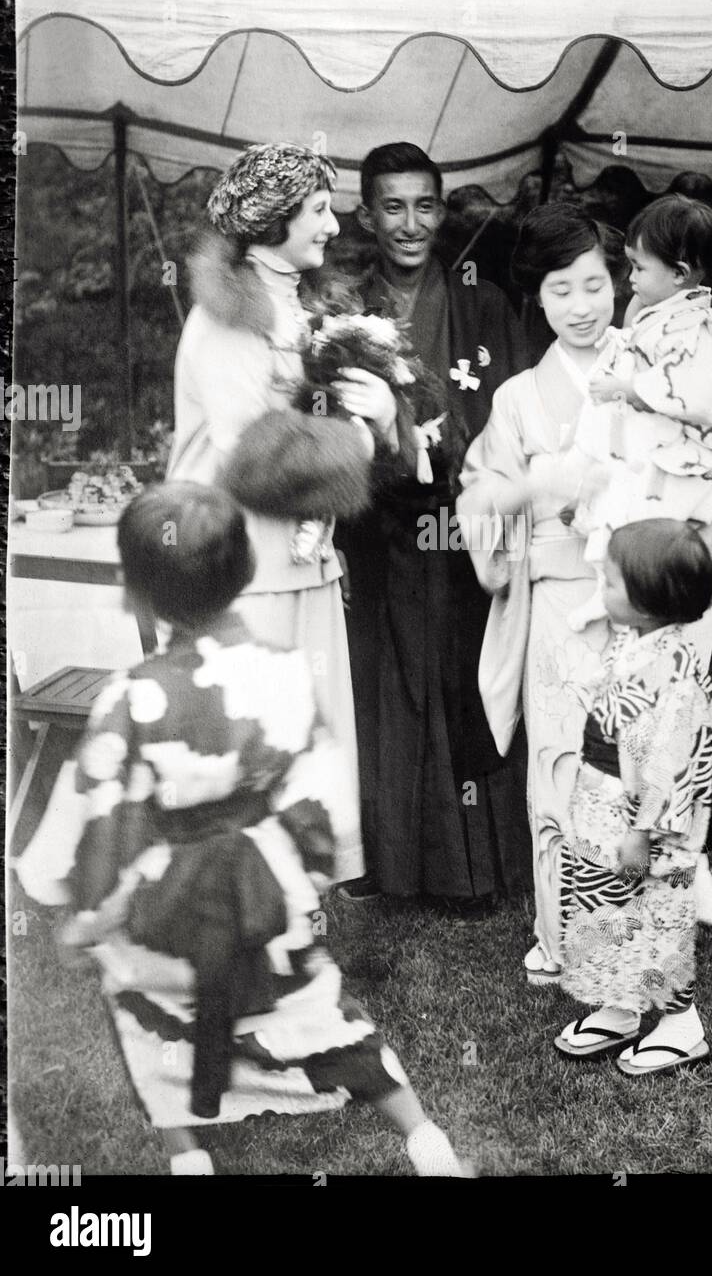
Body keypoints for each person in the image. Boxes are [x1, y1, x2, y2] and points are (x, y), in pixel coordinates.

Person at [56, 483, 471, 1177]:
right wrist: (303, 879)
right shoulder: (285, 670)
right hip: (265, 895)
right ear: (247, 569)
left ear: (141, 592)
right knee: (320, 1015)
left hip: (170, 911)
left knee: (143, 1012)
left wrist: (93, 915)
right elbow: (319, 797)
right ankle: (425, 1140)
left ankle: (187, 1155)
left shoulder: (128, 696)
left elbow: (105, 815)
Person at [167, 142, 400, 884]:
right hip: (243, 570)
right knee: (255, 739)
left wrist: (383, 417)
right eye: (318, 211)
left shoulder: (298, 311)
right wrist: (358, 439)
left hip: (301, 563)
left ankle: (297, 906)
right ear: (272, 224)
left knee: (306, 738)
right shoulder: (230, 319)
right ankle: (245, 912)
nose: (334, 226)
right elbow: (252, 459)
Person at [335, 142, 530, 912]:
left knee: (461, 685)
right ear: (367, 214)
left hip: (463, 529)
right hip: (379, 531)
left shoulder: (484, 305)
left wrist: (460, 451)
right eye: (392, 206)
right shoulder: (347, 315)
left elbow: (514, 417)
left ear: (443, 212)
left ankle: (473, 872)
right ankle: (390, 864)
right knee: (386, 690)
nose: (410, 223)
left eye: (424, 205)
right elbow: (324, 431)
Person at [457, 204, 627, 981]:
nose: (583, 306)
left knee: (635, 766)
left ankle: (632, 933)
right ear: (539, 298)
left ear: (618, 283)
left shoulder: (648, 372)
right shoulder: (519, 396)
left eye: (595, 285)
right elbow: (480, 491)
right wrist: (526, 489)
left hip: (639, 602)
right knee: (558, 762)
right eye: (562, 290)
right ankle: (561, 937)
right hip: (557, 600)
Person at [553, 519, 712, 1076]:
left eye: (611, 584)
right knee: (601, 906)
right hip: (604, 805)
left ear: (649, 603)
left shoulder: (676, 674)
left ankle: (680, 1022)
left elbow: (672, 765)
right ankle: (619, 1006)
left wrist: (643, 831)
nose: (600, 591)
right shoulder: (635, 641)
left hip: (646, 822)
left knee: (656, 914)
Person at [563, 193, 712, 633]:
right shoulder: (663, 311)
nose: (630, 277)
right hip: (652, 451)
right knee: (617, 512)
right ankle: (607, 590)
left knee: (642, 531)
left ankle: (627, 595)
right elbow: (635, 340)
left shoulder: (699, 327)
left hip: (682, 465)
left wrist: (628, 387)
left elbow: (691, 391)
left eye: (639, 267)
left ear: (680, 273)